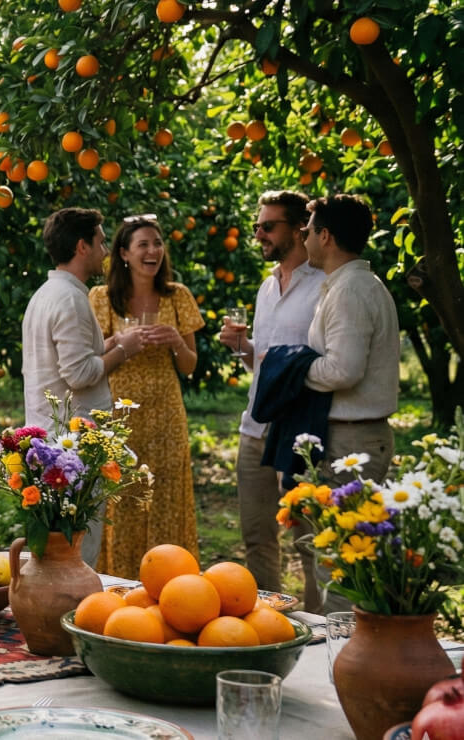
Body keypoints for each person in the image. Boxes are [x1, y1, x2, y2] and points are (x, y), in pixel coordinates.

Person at [22, 207, 146, 564]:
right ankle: (68, 616)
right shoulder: (71, 299)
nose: (106, 251)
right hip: (70, 442)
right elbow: (78, 375)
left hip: (51, 434)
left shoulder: (48, 294)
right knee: (76, 549)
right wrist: (124, 350)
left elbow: (66, 362)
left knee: (57, 545)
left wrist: (108, 344)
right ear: (82, 247)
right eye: (101, 242)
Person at [219, 191, 326, 593]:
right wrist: (243, 349)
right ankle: (267, 620)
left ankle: (319, 633)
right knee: (257, 535)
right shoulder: (266, 288)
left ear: (300, 229)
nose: (259, 234)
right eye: (256, 227)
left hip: (299, 429)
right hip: (255, 426)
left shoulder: (324, 287)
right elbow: (263, 364)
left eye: (267, 226)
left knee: (309, 539)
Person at [88, 216, 205, 579]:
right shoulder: (102, 298)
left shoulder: (177, 296)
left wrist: (174, 342)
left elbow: (189, 366)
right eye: (143, 244)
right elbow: (92, 363)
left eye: (157, 243)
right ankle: (119, 584)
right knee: (121, 496)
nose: (153, 251)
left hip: (166, 414)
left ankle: (172, 582)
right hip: (119, 415)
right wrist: (122, 344)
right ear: (123, 253)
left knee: (167, 496)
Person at [300, 193, 399, 613]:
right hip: (347, 437)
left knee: (342, 564)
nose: (302, 236)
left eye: (308, 230)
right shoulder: (346, 285)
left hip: (353, 443)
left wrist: (293, 370)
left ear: (326, 236)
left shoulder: (351, 291)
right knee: (340, 558)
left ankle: (342, 663)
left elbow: (344, 370)